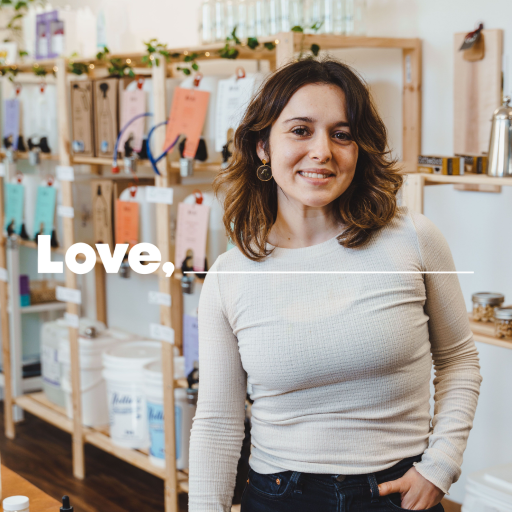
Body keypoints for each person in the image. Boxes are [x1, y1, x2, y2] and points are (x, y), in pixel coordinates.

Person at [188, 57, 482, 512]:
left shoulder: (414, 239)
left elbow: (459, 361)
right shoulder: (229, 277)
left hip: (397, 494)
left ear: (359, 148)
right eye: (300, 130)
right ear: (263, 146)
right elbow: (218, 423)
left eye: (341, 134)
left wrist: (440, 465)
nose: (322, 150)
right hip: (278, 496)